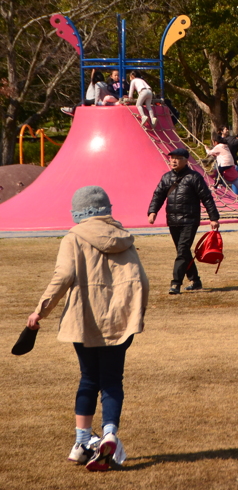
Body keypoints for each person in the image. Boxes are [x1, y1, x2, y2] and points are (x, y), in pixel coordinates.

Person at [25, 186, 149, 472]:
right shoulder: (124, 238)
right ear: (108, 208)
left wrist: (40, 310)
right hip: (120, 321)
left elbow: (63, 276)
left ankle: (82, 441)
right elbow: (142, 279)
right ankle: (108, 435)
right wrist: (136, 315)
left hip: (85, 320)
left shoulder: (73, 238)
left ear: (77, 211)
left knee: (89, 378)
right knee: (112, 381)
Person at [149, 148, 220, 294]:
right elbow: (158, 195)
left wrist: (214, 218)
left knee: (182, 251)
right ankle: (195, 280)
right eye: (172, 158)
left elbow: (206, 198)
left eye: (177, 158)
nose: (173, 160)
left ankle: (175, 283)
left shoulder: (194, 177)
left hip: (190, 220)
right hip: (173, 220)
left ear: (186, 160)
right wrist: (152, 211)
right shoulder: (166, 177)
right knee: (184, 251)